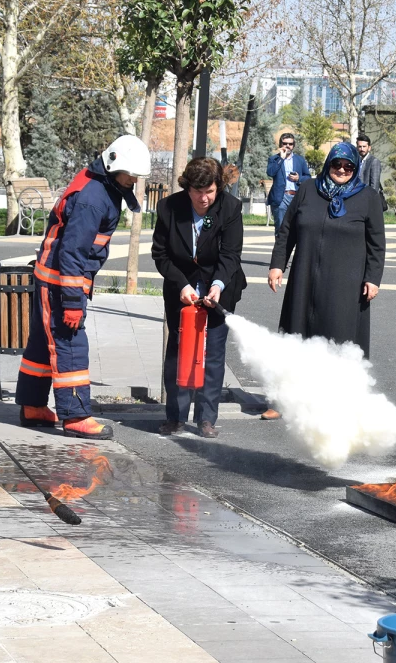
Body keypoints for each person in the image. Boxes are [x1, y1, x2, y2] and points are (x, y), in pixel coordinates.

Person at [17, 134, 149, 439]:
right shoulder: (94, 199)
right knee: (70, 344)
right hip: (60, 283)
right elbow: (74, 253)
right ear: (117, 168)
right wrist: (73, 301)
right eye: (132, 176)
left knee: (42, 343)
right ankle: (76, 416)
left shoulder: (101, 184)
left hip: (51, 279)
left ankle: (33, 405)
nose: (134, 181)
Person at [151, 157, 246, 438]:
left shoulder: (230, 208)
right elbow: (161, 254)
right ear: (187, 187)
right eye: (196, 191)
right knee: (179, 350)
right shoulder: (169, 207)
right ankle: (176, 416)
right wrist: (181, 284)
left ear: (219, 188)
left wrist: (217, 286)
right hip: (181, 287)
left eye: (210, 192)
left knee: (213, 353)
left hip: (220, 284)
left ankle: (206, 418)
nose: (203, 198)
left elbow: (230, 255)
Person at [268, 141, 385, 353]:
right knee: (299, 335)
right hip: (304, 277)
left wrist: (373, 278)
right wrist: (277, 264)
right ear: (328, 163)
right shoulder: (308, 189)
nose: (341, 169)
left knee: (339, 339)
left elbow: (376, 244)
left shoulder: (368, 197)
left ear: (355, 167)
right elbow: (287, 230)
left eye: (348, 166)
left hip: (346, 285)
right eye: (336, 164)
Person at [266, 132, 308, 233]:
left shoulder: (300, 160)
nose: (288, 146)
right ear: (280, 144)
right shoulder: (274, 159)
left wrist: (299, 178)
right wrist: (281, 158)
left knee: (297, 228)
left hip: (296, 197)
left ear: (294, 145)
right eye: (285, 143)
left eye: (290, 144)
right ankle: (280, 249)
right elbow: (270, 172)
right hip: (281, 198)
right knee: (280, 229)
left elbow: (308, 177)